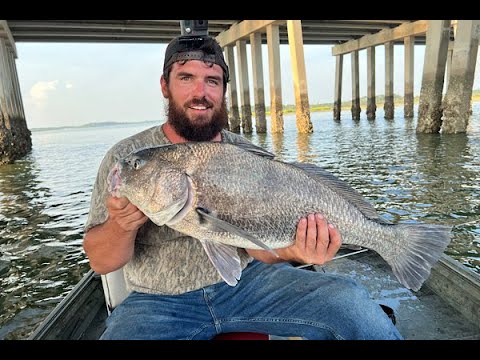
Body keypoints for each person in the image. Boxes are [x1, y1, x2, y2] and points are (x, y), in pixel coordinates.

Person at [82, 34, 403, 340]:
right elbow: (101, 262)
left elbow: (253, 246)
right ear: (164, 86)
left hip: (251, 285)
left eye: (212, 81)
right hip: (157, 302)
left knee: (352, 306)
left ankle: (390, 242)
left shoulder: (246, 154)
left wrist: (295, 249)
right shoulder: (126, 157)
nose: (200, 92)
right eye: (186, 78)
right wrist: (120, 224)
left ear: (223, 90)